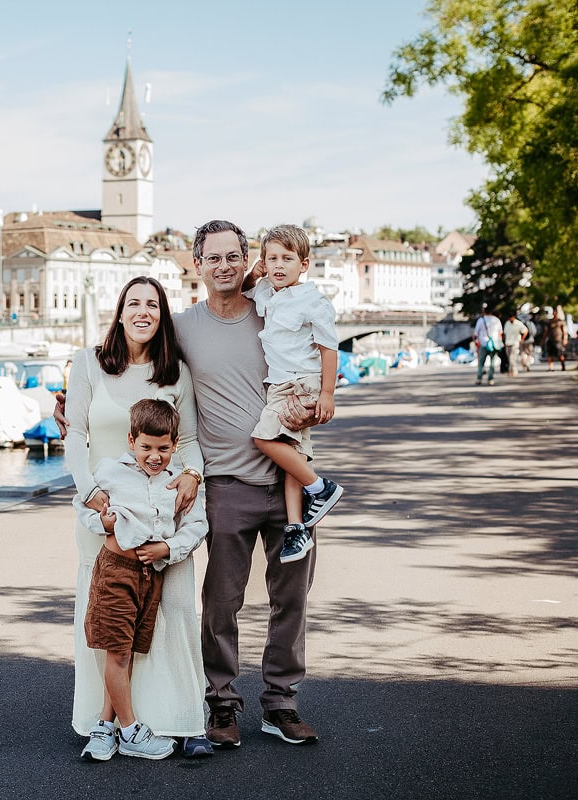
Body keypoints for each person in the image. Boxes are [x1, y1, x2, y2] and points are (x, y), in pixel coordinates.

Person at [175, 219, 326, 754]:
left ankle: (281, 702)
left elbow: (318, 356)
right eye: (212, 257)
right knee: (221, 602)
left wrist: (323, 402)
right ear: (198, 264)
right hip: (227, 484)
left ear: (247, 261)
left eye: (232, 256)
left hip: (289, 481)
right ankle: (221, 701)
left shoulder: (274, 308)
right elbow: (138, 372)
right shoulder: (181, 327)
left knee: (293, 598)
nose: (223, 266)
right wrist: (71, 409)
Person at [65, 276, 206, 761]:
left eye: (153, 304)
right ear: (120, 311)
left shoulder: (176, 373)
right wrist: (92, 496)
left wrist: (192, 476)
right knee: (110, 620)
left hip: (163, 511)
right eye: (134, 303)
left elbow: (188, 440)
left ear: (162, 315)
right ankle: (109, 724)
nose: (143, 311)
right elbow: (76, 436)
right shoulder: (88, 363)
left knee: (172, 610)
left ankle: (180, 717)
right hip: (107, 509)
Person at [78, 398, 209, 762]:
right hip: (116, 572)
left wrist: (167, 548)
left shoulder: (178, 482)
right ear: (131, 440)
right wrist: (101, 522)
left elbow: (198, 526)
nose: (155, 456)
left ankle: (105, 727)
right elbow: (84, 505)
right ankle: (131, 729)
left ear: (175, 445)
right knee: (116, 652)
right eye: (146, 447)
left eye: (163, 448)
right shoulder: (110, 471)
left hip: (150, 577)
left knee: (128, 650)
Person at [237, 225, 345, 564]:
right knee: (292, 458)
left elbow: (329, 349)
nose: (279, 265)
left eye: (287, 259)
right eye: (272, 259)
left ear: (305, 263)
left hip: (300, 384)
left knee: (264, 440)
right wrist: (253, 274)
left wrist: (327, 394)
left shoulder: (313, 301)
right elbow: (244, 291)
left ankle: (320, 488)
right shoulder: (268, 291)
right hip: (280, 385)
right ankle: (296, 529)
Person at [472, 310, 504, 385]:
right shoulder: (496, 320)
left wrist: (476, 343)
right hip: (494, 344)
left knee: (481, 362)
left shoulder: (481, 320)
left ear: (484, 312)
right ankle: (490, 379)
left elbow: (476, 333)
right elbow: (500, 333)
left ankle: (479, 378)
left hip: (483, 343)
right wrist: (500, 342)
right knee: (492, 362)